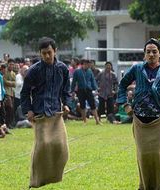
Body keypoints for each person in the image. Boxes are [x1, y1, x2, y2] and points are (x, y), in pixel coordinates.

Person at [117, 38, 160, 190]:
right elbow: (122, 85)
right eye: (148, 52)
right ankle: (144, 186)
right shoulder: (137, 69)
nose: (151, 54)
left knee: (159, 155)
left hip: (159, 119)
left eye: (155, 52)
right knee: (143, 156)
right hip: (140, 120)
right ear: (144, 55)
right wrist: (126, 104)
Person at [21, 37, 71, 188]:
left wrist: (67, 104)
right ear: (40, 54)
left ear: (55, 51)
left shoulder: (62, 68)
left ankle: (53, 177)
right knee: (42, 147)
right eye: (44, 53)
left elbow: (66, 90)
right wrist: (28, 110)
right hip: (40, 113)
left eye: (49, 52)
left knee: (60, 147)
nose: (47, 56)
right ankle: (35, 181)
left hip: (56, 113)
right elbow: (24, 93)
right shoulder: (34, 71)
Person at [71, 59, 101, 125]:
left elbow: (93, 80)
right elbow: (74, 82)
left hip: (89, 90)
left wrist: (95, 89)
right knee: (82, 105)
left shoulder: (89, 71)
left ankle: (97, 121)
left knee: (93, 105)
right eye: (86, 64)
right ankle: (84, 121)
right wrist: (72, 91)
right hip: (81, 90)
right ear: (82, 64)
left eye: (88, 64)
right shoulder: (77, 71)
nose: (88, 65)